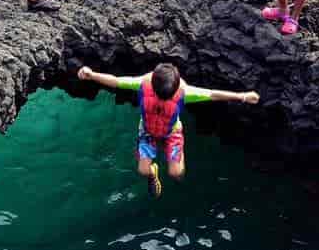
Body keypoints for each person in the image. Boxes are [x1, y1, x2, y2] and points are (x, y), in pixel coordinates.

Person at [76, 64, 259, 198]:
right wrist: (92, 74)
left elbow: (212, 94)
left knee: (176, 174)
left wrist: (242, 97)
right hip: (148, 131)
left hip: (172, 132)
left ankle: (177, 166)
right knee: (143, 170)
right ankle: (153, 171)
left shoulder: (185, 92)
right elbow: (116, 82)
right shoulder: (143, 83)